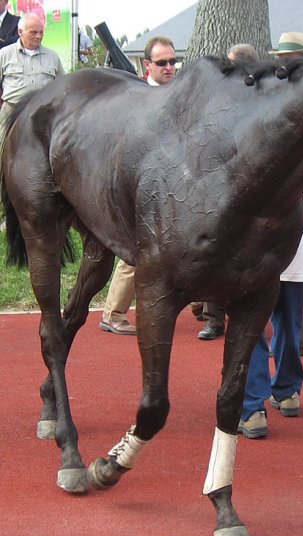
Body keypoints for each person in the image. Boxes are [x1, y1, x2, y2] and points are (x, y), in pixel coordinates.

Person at [238, 173, 303, 438]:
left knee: (251, 331)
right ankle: (288, 391)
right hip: (294, 253)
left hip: (254, 255)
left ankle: (253, 408)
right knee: (289, 325)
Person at [100, 36, 177, 335]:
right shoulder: (138, 95)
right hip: (140, 185)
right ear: (147, 65)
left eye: (173, 61)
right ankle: (113, 313)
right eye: (162, 63)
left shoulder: (178, 92)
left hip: (173, 184)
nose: (169, 67)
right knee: (136, 251)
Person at [195, 43, 259, 341]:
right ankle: (212, 317)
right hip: (215, 187)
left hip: (247, 189)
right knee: (213, 251)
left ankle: (233, 313)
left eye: (229, 65)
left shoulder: (259, 98)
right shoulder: (217, 98)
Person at [0, 13, 64, 141]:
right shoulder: (4, 54)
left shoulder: (52, 57)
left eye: (41, 32)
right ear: (20, 32)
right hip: (12, 113)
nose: (38, 36)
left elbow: (62, 86)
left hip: (44, 115)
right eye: (33, 32)